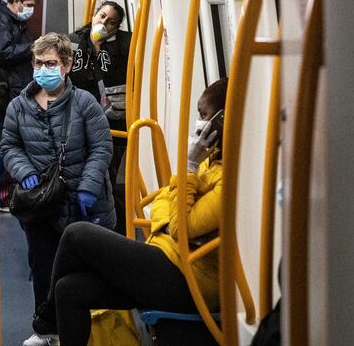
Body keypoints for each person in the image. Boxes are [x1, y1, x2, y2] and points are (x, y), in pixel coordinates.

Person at [30, 78, 229, 346]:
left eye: (204, 116)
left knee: (77, 234)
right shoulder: (210, 163)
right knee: (69, 289)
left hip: (191, 280)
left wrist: (189, 168)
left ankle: (47, 317)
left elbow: (180, 227)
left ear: (221, 121)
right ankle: (53, 316)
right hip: (169, 258)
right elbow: (162, 203)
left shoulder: (228, 177)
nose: (199, 123)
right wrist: (173, 218)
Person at [0, 32, 115, 346]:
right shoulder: (19, 106)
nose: (43, 69)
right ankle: (46, 330)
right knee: (43, 265)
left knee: (79, 271)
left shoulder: (85, 103)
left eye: (50, 63)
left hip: (81, 200)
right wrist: (24, 173)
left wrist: (89, 187)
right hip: (41, 203)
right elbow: (9, 146)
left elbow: (101, 149)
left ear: (66, 65)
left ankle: (83, 332)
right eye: (38, 63)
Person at [69, 1, 131, 233]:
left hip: (112, 122)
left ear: (116, 27)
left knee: (107, 175)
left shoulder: (124, 44)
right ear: (93, 15)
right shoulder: (75, 43)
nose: (104, 23)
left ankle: (110, 229)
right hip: (81, 121)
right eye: (102, 16)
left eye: (111, 21)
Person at [0, 0, 39, 212]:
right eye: (29, 5)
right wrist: (33, 47)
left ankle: (9, 192)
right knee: (7, 145)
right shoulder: (2, 21)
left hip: (14, 88)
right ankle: (2, 196)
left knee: (12, 144)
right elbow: (3, 53)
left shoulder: (15, 21)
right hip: (7, 91)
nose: (30, 10)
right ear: (17, 2)